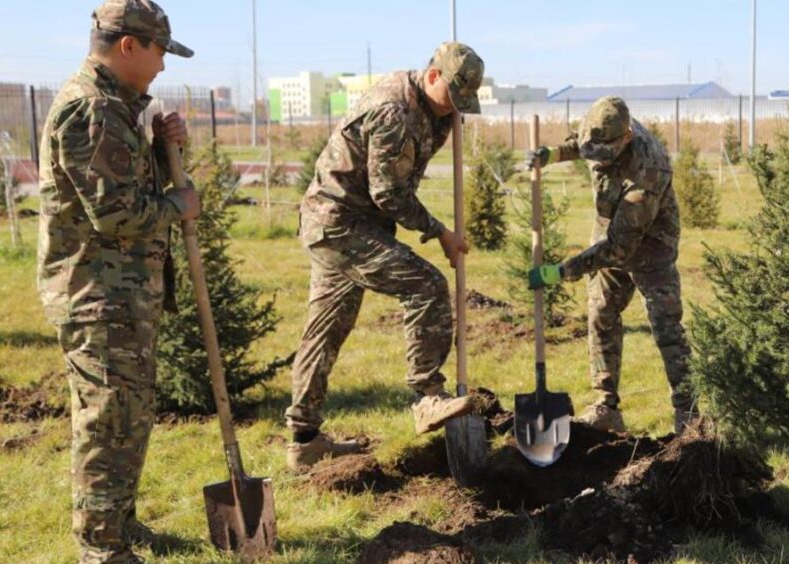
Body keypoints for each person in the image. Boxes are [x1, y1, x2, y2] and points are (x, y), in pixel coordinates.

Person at [37, 1, 199, 564]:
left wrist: (160, 147)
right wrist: (179, 203)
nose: (162, 66)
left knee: (127, 414)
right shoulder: (91, 109)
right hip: (97, 296)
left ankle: (119, 521)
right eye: (158, 52)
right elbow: (115, 213)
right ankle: (102, 552)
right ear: (129, 46)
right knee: (108, 421)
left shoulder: (116, 107)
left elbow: (120, 183)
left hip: (122, 294)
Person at [286, 42, 485, 472]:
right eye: (454, 98)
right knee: (426, 285)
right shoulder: (393, 110)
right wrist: (440, 233)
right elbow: (388, 193)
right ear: (433, 76)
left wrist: (449, 117)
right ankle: (427, 396)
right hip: (340, 222)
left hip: (346, 221)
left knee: (325, 330)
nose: (457, 110)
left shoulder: (434, 109)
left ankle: (304, 441)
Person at [526, 96, 698, 434]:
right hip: (609, 228)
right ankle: (606, 407)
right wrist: (553, 155)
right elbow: (580, 143)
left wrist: (562, 271)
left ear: (626, 138)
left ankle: (689, 414)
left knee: (666, 326)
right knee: (600, 314)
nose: (598, 161)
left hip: (650, 246)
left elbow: (619, 249)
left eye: (606, 154)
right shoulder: (596, 128)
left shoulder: (648, 172)